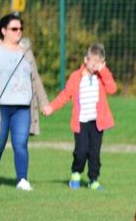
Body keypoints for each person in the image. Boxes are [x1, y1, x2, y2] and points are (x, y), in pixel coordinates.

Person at [0, 13, 50, 191]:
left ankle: (22, 179)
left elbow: (35, 79)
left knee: (21, 144)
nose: (19, 32)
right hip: (0, 107)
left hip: (23, 107)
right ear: (3, 30)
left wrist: (44, 102)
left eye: (20, 28)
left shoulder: (26, 53)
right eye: (14, 29)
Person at [42, 43, 117, 190]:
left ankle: (93, 180)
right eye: (92, 62)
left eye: (98, 63)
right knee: (81, 151)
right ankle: (75, 173)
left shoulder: (101, 77)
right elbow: (65, 95)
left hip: (97, 123)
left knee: (94, 153)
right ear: (85, 60)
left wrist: (104, 70)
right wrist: (51, 107)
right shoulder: (76, 77)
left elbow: (112, 89)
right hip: (81, 123)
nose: (94, 65)